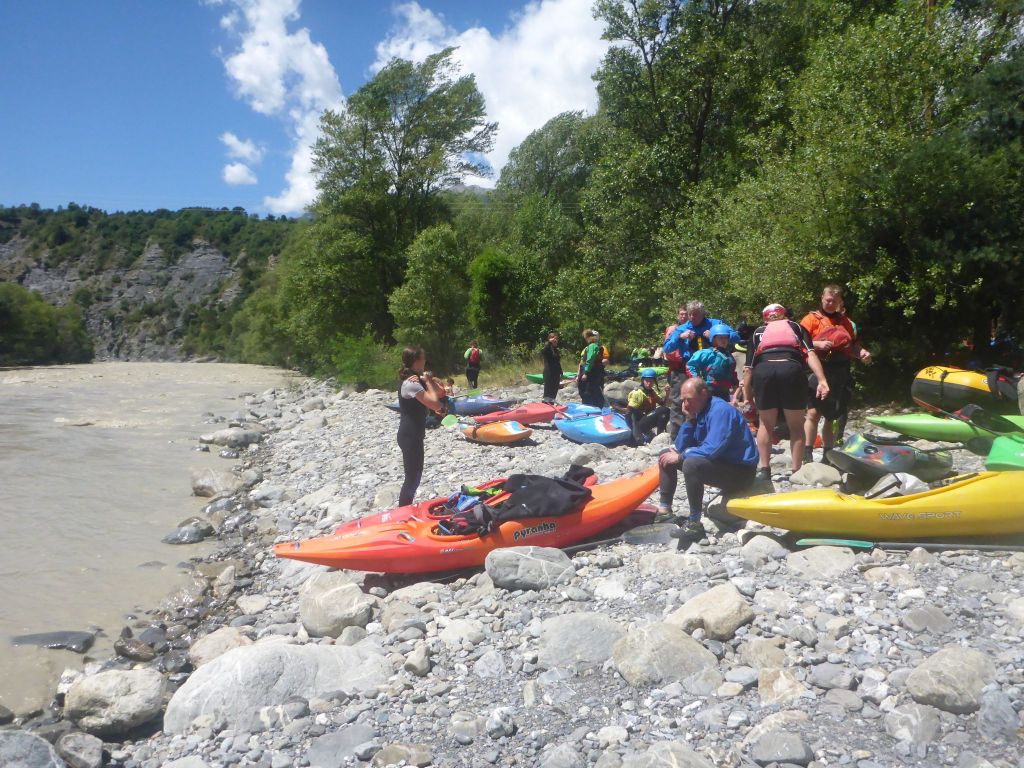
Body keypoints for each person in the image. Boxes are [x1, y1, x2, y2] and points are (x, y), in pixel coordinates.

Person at [657, 378, 758, 543]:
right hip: (721, 465)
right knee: (665, 455)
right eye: (683, 400)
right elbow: (680, 447)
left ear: (703, 394)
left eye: (689, 399)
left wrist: (681, 456)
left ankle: (694, 524)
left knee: (691, 464)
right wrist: (690, 419)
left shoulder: (721, 411)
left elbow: (713, 449)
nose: (686, 404)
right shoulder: (699, 411)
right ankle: (664, 511)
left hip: (741, 472)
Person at [741, 303, 829, 480]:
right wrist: (822, 380)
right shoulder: (796, 327)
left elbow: (748, 370)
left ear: (765, 319)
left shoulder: (757, 332)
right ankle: (796, 471)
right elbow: (810, 354)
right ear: (784, 315)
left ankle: (765, 470)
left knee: (765, 424)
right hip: (791, 369)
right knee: (796, 425)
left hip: (764, 372)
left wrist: (747, 398)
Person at [801, 285, 871, 459]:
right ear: (822, 298)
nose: (830, 303)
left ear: (840, 302)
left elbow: (852, 346)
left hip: (840, 371)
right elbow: (799, 343)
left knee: (831, 415)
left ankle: (828, 454)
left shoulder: (845, 322)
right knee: (813, 413)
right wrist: (817, 344)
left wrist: (861, 353)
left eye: (834, 301)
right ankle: (807, 453)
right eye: (828, 300)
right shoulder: (810, 320)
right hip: (816, 369)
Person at [397, 346, 447, 506]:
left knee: (416, 476)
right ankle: (402, 511)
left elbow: (441, 393)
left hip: (415, 434)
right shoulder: (411, 383)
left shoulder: (417, 379)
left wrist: (428, 380)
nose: (425, 360)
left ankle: (405, 508)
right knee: (412, 478)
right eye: (423, 358)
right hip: (409, 435)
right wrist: (426, 382)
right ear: (416, 360)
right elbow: (435, 404)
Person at [686, 324, 739, 401]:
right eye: (720, 338)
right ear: (713, 339)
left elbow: (732, 372)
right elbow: (690, 365)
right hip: (710, 389)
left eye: (726, 338)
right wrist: (697, 380)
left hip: (725, 390)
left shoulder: (729, 356)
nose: (724, 340)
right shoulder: (706, 353)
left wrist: (735, 385)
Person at [627, 368, 670, 444]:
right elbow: (629, 412)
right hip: (639, 423)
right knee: (663, 410)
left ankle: (660, 435)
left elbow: (663, 404)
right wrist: (635, 432)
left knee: (665, 410)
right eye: (647, 381)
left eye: (651, 381)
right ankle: (659, 436)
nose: (649, 383)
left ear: (654, 382)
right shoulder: (638, 393)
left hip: (646, 419)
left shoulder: (652, 392)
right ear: (642, 381)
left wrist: (667, 394)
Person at [579, 330, 605, 407]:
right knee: (594, 390)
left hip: (591, 372)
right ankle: (596, 406)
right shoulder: (596, 345)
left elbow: (590, 359)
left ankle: (590, 407)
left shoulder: (592, 346)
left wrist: (585, 373)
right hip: (595, 371)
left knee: (587, 391)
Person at [541, 332, 562, 405]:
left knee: (554, 392)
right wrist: (549, 342)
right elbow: (543, 352)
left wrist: (561, 372)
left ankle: (551, 405)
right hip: (549, 372)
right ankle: (545, 406)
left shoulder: (556, 350)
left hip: (556, 373)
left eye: (557, 340)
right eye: (554, 340)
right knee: (548, 392)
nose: (556, 341)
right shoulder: (547, 348)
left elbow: (557, 362)